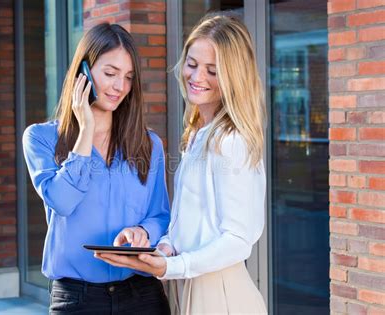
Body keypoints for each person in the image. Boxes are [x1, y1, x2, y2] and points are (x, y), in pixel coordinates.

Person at [96, 13, 268, 314]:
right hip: (188, 285)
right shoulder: (200, 133)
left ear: (233, 77)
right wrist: (165, 248)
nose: (197, 77)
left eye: (213, 71)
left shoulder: (231, 140)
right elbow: (189, 221)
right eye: (192, 64)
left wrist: (174, 265)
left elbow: (239, 239)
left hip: (219, 293)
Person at [22, 23, 170, 314]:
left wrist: (143, 231)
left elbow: (160, 215)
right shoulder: (40, 138)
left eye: (128, 77)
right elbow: (62, 201)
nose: (120, 87)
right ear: (84, 73)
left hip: (141, 295)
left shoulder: (149, 144)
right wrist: (86, 129)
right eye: (110, 73)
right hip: (77, 299)